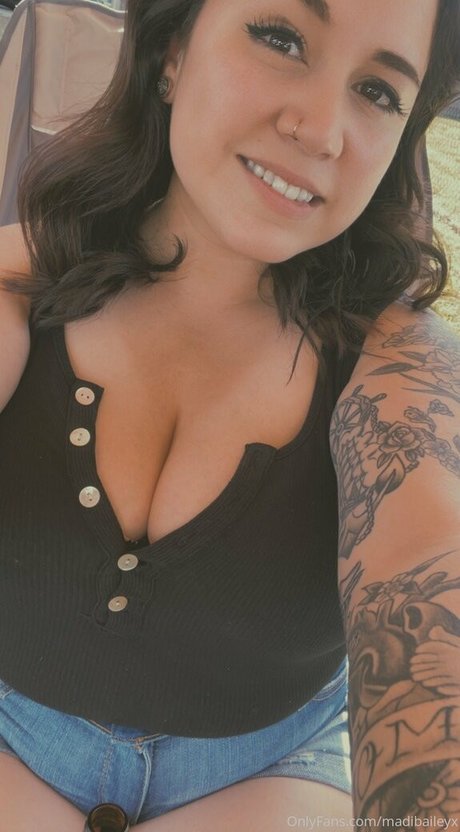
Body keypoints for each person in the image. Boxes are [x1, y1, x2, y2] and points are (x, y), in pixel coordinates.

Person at [0, 0, 459, 829]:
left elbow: (429, 562)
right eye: (281, 38)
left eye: (378, 92)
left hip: (274, 773)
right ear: (172, 48)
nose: (322, 131)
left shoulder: (399, 365)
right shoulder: (16, 290)